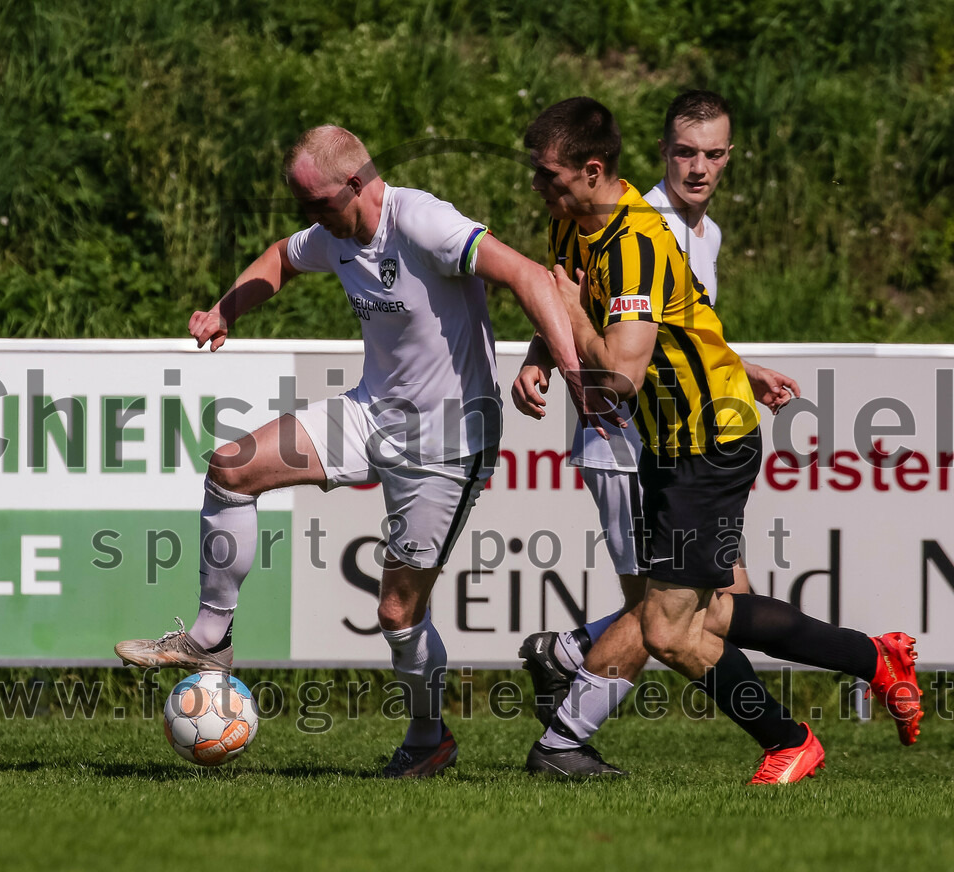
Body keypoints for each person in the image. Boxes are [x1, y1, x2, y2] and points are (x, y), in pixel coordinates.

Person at [115, 124, 584, 778]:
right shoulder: (333, 231)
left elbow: (530, 276)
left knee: (397, 613)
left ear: (357, 184)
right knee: (231, 468)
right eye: (302, 206)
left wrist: (573, 373)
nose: (311, 218)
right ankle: (210, 639)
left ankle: (429, 738)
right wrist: (226, 310)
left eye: (317, 204)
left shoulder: (422, 222)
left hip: (447, 446)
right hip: (369, 414)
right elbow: (280, 257)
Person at [514, 97, 923, 783]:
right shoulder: (572, 222)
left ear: (592, 171)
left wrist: (572, 318)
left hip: (708, 444)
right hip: (668, 443)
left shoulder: (637, 243)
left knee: (666, 627)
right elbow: (589, 305)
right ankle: (873, 657)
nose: (536, 186)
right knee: (708, 608)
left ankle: (789, 740)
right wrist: (540, 354)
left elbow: (620, 373)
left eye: (547, 175)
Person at [518, 91, 797, 739]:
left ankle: (568, 660)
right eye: (685, 153)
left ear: (730, 156)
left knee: (714, 600)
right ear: (662, 152)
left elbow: (675, 330)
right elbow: (586, 308)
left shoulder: (707, 232)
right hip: (629, 440)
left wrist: (743, 369)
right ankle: (566, 733)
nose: (699, 168)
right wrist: (540, 352)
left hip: (686, 439)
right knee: (665, 608)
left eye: (714, 154)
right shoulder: (639, 223)